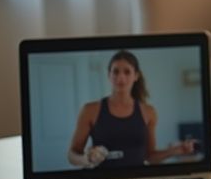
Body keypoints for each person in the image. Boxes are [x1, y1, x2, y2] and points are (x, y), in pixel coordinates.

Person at [67, 50, 197, 169]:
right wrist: (86, 159)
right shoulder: (90, 110)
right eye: (116, 71)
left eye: (127, 72)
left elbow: (149, 157)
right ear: (109, 75)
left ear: (136, 76)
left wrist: (174, 151)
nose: (121, 78)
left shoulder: (149, 112)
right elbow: (72, 155)